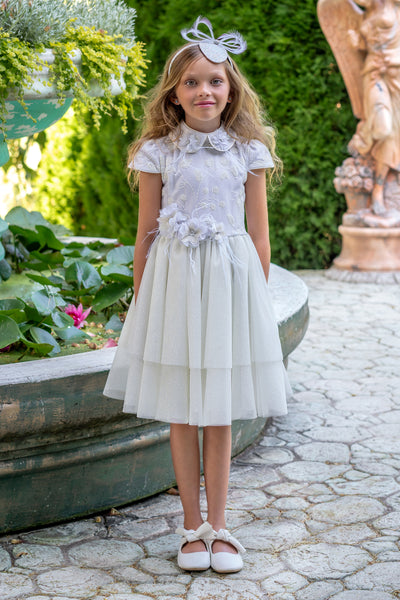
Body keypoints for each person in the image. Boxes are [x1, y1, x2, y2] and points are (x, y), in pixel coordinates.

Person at [103, 16, 291, 574]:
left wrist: (255, 308)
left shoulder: (247, 152)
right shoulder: (159, 152)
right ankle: (191, 527)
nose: (204, 90)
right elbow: (145, 235)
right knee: (184, 411)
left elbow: (259, 238)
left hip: (230, 288)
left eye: (215, 80)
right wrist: (142, 303)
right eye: (191, 82)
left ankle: (222, 525)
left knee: (220, 411)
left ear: (231, 89)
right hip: (177, 285)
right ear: (175, 95)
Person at [348, 0, 400, 215]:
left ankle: (378, 189)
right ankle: (363, 137)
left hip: (396, 75)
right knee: (382, 128)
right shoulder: (365, 12)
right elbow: (365, 44)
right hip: (373, 75)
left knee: (392, 138)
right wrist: (357, 43)